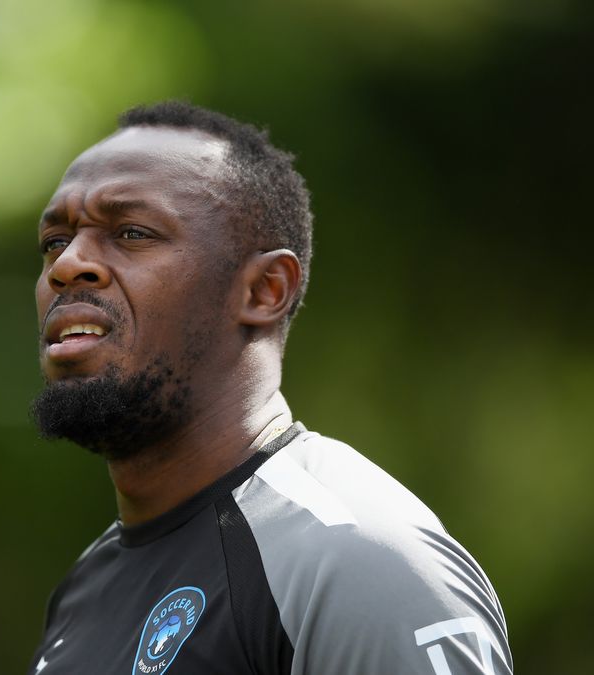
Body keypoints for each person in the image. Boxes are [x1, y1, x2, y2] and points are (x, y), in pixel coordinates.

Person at [28, 101, 512, 674]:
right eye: (55, 242)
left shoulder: (355, 560)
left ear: (263, 291)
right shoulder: (89, 584)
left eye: (131, 233)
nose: (69, 264)